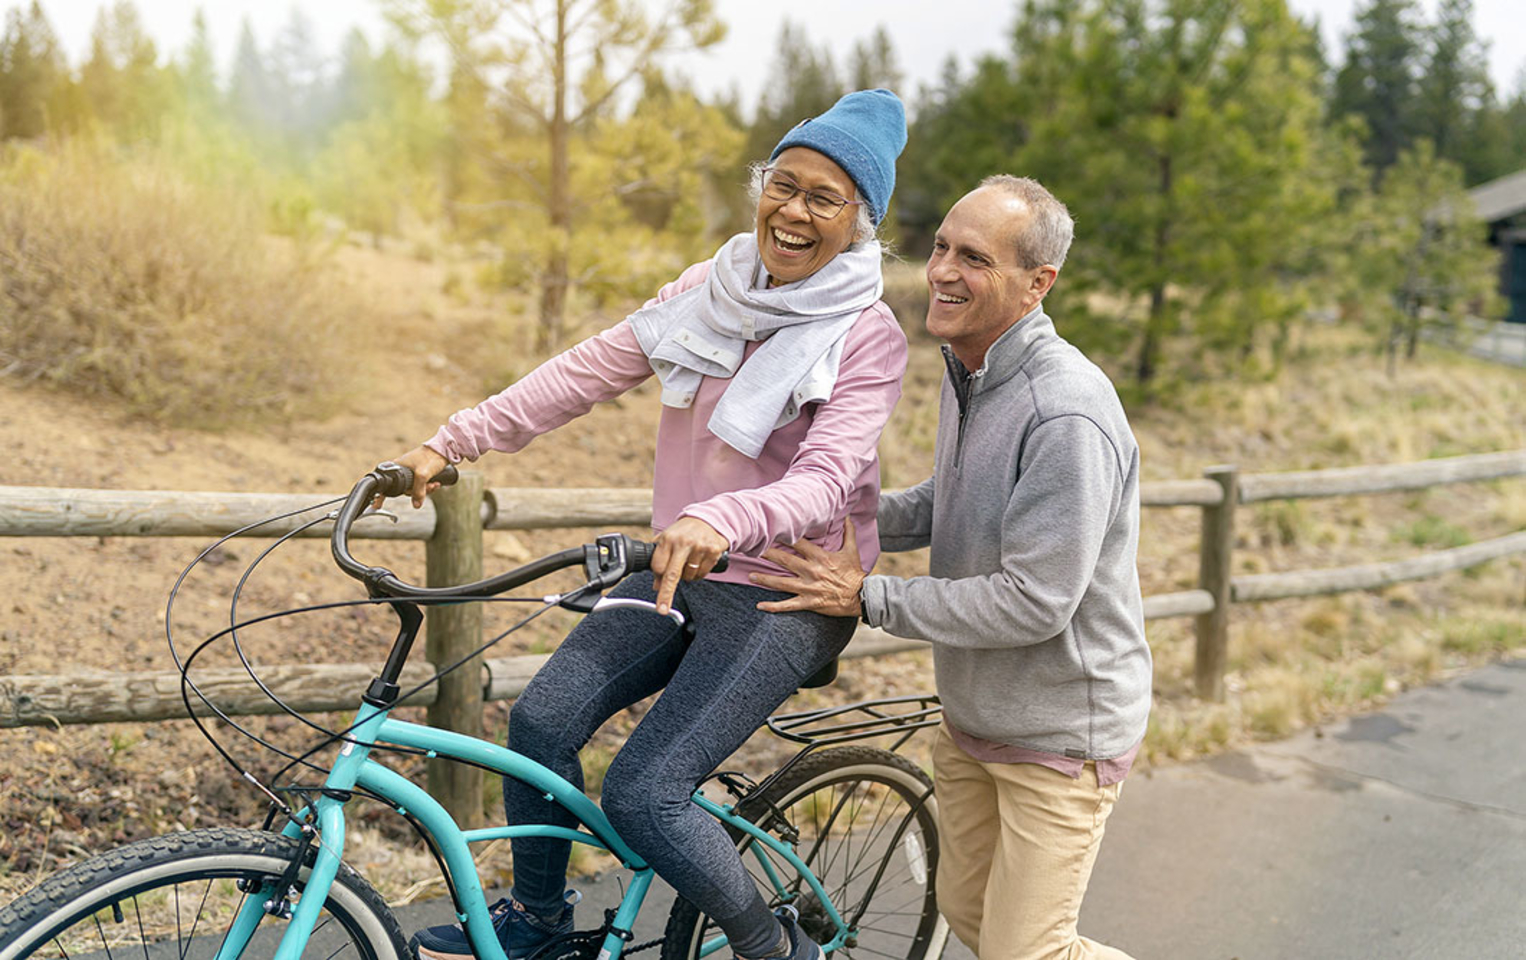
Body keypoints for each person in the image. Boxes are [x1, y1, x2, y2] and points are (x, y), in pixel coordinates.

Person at [398, 89, 908, 960]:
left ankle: (773, 947)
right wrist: (451, 444)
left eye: (825, 199)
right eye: (783, 184)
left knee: (647, 793)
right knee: (541, 724)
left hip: (789, 593)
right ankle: (540, 924)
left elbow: (827, 482)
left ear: (860, 224)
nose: (794, 211)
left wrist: (721, 515)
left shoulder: (868, 336)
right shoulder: (704, 293)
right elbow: (583, 371)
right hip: (682, 570)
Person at [751, 175, 1150, 960]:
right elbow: (953, 500)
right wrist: (828, 509)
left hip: (1061, 735)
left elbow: (1036, 603)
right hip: (974, 721)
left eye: (975, 258)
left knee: (1025, 950)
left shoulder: (1063, 410)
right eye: (940, 247)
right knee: (970, 916)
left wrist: (868, 597)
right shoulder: (970, 368)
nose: (941, 271)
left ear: (1038, 284)